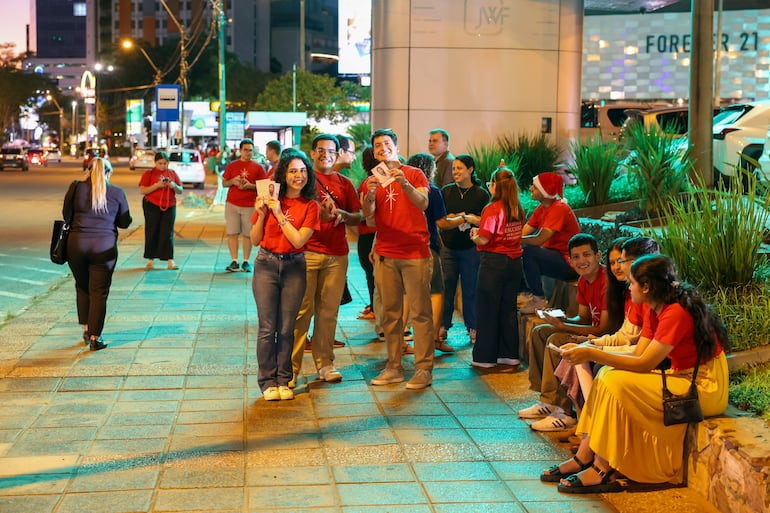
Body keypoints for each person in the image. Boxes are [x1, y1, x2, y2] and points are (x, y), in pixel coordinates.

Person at [551, 254, 729, 492]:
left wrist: (591, 354)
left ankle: (602, 468)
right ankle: (588, 453)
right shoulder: (654, 307)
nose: (628, 286)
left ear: (647, 287)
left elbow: (645, 363)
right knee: (606, 375)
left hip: (703, 387)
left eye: (633, 282)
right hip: (682, 376)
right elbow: (638, 354)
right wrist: (588, 349)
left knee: (614, 382)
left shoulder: (675, 312)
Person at [551, 236, 660, 419]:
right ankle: (583, 426)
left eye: (621, 261)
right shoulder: (630, 294)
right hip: (634, 352)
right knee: (572, 350)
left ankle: (587, 429)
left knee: (597, 366)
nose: (618, 267)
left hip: (670, 376)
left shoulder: (653, 301)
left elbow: (642, 353)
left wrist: (594, 348)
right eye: (613, 262)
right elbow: (626, 336)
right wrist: (591, 344)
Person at [362, 128, 434, 389]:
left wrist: (404, 183)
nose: (383, 148)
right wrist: (370, 194)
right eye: (378, 145)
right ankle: (393, 366)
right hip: (386, 253)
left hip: (415, 252)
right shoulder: (372, 178)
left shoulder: (414, 174)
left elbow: (423, 203)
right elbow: (369, 216)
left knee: (420, 313)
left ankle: (424, 369)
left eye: (387, 143)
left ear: (397, 147)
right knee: (390, 314)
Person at [519, 233, 612, 432]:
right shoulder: (583, 281)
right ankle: (547, 400)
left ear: (598, 256)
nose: (581, 261)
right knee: (540, 331)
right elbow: (584, 318)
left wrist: (564, 327)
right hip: (590, 331)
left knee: (557, 339)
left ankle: (564, 411)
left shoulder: (606, 281)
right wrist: (560, 320)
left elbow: (604, 328)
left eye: (586, 255)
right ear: (569, 260)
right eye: (576, 257)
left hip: (604, 338)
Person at [250, 151, 320, 401]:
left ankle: (284, 379)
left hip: (294, 266)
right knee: (267, 327)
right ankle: (267, 381)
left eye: (302, 171)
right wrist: (261, 214)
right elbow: (255, 239)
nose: (298, 176)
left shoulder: (311, 205)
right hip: (266, 264)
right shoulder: (269, 199)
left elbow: (299, 239)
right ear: (283, 174)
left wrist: (279, 214)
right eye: (292, 171)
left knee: (288, 327)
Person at [292, 134, 361, 386]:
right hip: (307, 251)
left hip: (336, 254)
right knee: (301, 312)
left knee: (328, 312)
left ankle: (325, 364)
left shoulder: (344, 183)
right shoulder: (303, 180)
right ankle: (292, 368)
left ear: (338, 154)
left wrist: (342, 214)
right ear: (312, 153)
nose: (326, 155)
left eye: (331, 151)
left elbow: (358, 216)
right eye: (320, 150)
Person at [64, 157, 132, 351]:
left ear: (87, 172)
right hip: (104, 248)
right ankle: (95, 337)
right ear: (108, 173)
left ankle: (86, 328)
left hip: (76, 246)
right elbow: (124, 222)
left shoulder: (76, 188)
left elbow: (66, 215)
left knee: (83, 286)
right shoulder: (117, 192)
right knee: (99, 292)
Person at [469, 166, 525, 369]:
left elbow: (484, 239)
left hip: (493, 263)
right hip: (514, 263)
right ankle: (509, 354)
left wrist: (474, 236)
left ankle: (484, 357)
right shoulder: (518, 207)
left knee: (487, 309)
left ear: (495, 186)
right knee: (508, 309)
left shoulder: (492, 209)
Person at [436, 154, 489, 345]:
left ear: (470, 170)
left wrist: (459, 217)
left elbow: (485, 220)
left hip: (471, 249)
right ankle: (442, 326)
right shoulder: (446, 191)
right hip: (448, 247)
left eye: (459, 168)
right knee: (446, 286)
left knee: (470, 288)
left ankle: (473, 327)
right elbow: (443, 220)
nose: (455, 172)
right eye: (454, 169)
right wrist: (466, 217)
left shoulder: (481, 194)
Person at [405, 153, 450, 353]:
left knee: (405, 294)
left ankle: (400, 341)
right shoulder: (432, 191)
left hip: (403, 247)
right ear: (430, 170)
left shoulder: (402, 189)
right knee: (436, 291)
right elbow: (442, 223)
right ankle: (433, 339)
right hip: (427, 246)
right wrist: (464, 219)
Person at [518, 172, 580, 314]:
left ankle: (539, 299)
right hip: (555, 257)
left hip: (570, 262)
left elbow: (540, 239)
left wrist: (515, 240)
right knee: (517, 251)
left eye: (534, 187)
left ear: (545, 192)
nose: (530, 189)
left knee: (528, 251)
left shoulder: (559, 209)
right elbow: (523, 232)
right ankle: (525, 293)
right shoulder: (541, 209)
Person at [222, 139, 267, 273]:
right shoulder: (232, 165)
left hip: (250, 205)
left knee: (248, 234)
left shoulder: (258, 167)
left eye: (250, 150)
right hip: (232, 203)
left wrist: (250, 186)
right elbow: (224, 183)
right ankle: (234, 260)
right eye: (245, 150)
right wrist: (233, 181)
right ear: (240, 151)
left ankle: (246, 261)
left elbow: (264, 187)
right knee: (232, 232)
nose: (248, 152)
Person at [139, 151, 183, 271]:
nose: (163, 166)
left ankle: (169, 260)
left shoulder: (172, 173)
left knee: (167, 232)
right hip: (152, 205)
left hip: (169, 205)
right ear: (155, 163)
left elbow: (180, 190)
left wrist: (173, 186)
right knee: (152, 230)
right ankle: (150, 259)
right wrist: (157, 186)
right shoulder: (149, 173)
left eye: (165, 163)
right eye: (160, 163)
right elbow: (143, 190)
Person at [356, 146, 378, 322]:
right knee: (372, 274)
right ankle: (374, 306)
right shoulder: (374, 181)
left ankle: (375, 308)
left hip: (369, 234)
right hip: (374, 233)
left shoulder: (369, 182)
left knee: (372, 274)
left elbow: (364, 212)